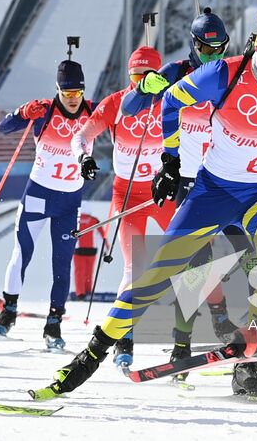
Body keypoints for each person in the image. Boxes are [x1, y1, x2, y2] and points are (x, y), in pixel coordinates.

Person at [37, 0, 257, 399]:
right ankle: (92, 353)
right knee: (160, 272)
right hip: (213, 191)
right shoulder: (222, 75)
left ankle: (247, 360)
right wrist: (170, 159)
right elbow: (169, 102)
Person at [120, 10, 238, 355]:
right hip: (193, 183)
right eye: (206, 49)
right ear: (193, 44)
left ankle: (248, 328)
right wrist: (145, 88)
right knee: (195, 264)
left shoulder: (230, 73)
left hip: (234, 178)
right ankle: (181, 342)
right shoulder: (177, 74)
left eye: (220, 49)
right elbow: (129, 108)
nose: (213, 56)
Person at [76, 45, 174, 367]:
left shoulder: (170, 98)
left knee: (196, 253)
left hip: (162, 192)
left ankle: (185, 337)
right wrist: (85, 157)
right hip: (128, 194)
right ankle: (125, 336)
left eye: (148, 76)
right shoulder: (116, 103)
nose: (141, 82)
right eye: (135, 76)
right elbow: (83, 134)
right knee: (135, 268)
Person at [0, 55, 98, 349]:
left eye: (77, 92)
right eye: (67, 93)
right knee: (21, 253)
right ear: (58, 91)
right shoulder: (44, 111)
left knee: (62, 262)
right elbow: (4, 127)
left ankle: (54, 323)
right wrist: (22, 113)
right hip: (38, 194)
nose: (73, 99)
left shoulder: (93, 111)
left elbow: (124, 118)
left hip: (69, 201)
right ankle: (8, 311)